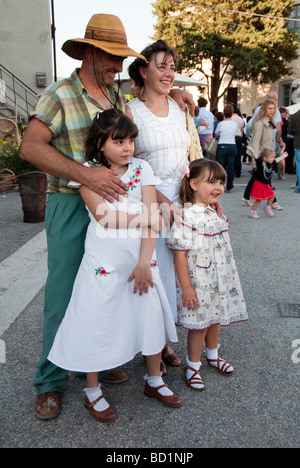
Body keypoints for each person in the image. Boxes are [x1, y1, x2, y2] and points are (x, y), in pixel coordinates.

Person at [20, 14, 195, 421]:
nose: (119, 65)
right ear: (90, 52)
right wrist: (85, 175)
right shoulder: (59, 94)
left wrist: (180, 101)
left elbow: (144, 111)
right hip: (70, 204)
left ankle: (96, 361)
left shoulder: (113, 97)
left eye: (121, 59)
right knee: (64, 296)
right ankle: (49, 383)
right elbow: (30, 147)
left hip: (115, 208)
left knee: (111, 291)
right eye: (114, 57)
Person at [48, 109, 182, 422]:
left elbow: (153, 217)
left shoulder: (143, 168)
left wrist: (145, 261)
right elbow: (104, 217)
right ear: (100, 142)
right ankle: (92, 391)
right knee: (97, 318)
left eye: (131, 140)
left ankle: (154, 380)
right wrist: (148, 218)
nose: (127, 148)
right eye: (119, 141)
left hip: (139, 262)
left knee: (147, 314)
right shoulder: (87, 174)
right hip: (103, 262)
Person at [126, 40, 203, 373]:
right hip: (151, 201)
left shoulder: (180, 107)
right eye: (161, 66)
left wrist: (203, 199)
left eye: (172, 66)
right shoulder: (130, 111)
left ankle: (168, 340)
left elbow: (192, 155)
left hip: (184, 201)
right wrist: (163, 201)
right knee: (155, 274)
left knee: (181, 274)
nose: (169, 73)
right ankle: (152, 347)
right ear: (143, 71)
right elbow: (130, 164)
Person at [167, 159, 248, 391]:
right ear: (193, 184)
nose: (218, 187)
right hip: (199, 281)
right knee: (200, 324)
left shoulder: (214, 211)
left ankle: (213, 355)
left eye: (221, 182)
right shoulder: (186, 217)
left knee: (217, 317)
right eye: (211, 182)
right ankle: (192, 366)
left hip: (219, 278)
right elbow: (180, 255)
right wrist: (187, 287)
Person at [241, 99, 281, 208]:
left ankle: (246, 197)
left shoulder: (271, 122)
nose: (272, 111)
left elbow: (274, 136)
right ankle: (273, 201)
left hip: (269, 153)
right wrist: (255, 160)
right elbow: (256, 141)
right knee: (265, 178)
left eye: (273, 108)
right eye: (269, 108)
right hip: (262, 155)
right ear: (264, 109)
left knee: (256, 177)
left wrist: (279, 143)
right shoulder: (260, 123)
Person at [247, 146, 289, 219]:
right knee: (259, 199)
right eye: (271, 157)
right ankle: (252, 212)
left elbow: (277, 159)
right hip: (259, 183)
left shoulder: (270, 163)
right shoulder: (260, 163)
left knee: (272, 195)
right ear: (264, 158)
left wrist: (283, 156)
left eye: (273, 157)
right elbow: (256, 157)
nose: (273, 158)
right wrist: (251, 150)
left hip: (266, 184)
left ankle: (268, 207)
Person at [215, 104, 238, 193]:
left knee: (220, 167)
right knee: (231, 168)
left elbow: (216, 133)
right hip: (232, 145)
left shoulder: (221, 123)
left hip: (222, 145)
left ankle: (220, 185)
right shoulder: (234, 124)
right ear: (232, 113)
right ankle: (230, 187)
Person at [287, 108, 300, 194]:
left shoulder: (295, 115)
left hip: (298, 142)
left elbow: (289, 131)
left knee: (299, 165)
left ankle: (299, 186)